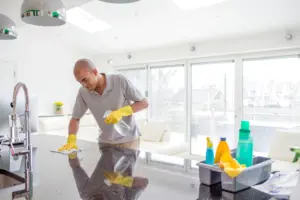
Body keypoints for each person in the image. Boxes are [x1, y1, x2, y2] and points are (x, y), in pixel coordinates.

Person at [58, 58, 148, 151]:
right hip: (105, 142)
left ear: (95, 72)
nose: (84, 85)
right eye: (80, 82)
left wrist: (120, 112)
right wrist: (71, 140)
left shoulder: (119, 80)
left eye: (85, 80)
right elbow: (75, 118)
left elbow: (144, 103)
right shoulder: (83, 92)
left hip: (128, 141)